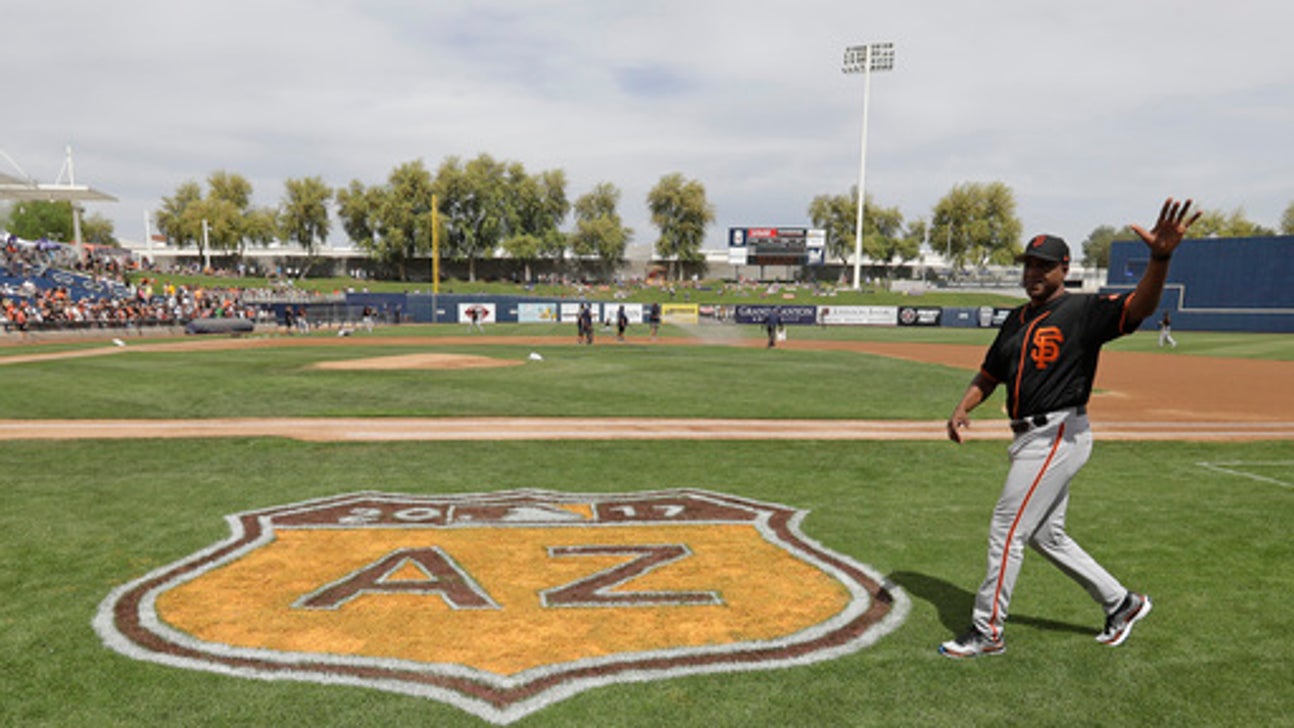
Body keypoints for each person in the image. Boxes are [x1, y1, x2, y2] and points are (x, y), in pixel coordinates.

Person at [939, 198, 1201, 659]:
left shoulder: (1083, 311)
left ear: (1065, 268)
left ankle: (987, 631)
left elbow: (1138, 306)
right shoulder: (1017, 319)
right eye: (1028, 264)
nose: (1033, 273)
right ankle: (1122, 603)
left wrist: (1160, 259)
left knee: (1006, 528)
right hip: (1029, 437)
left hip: (1058, 433)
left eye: (1044, 265)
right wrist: (963, 406)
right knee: (1046, 535)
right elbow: (991, 373)